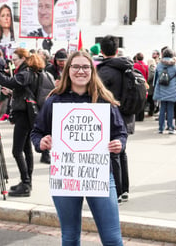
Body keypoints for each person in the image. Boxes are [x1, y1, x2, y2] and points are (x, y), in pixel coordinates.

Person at [31, 50, 127, 246]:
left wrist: (119, 144)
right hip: (66, 175)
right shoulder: (54, 101)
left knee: (112, 239)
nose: (80, 71)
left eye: (85, 67)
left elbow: (120, 133)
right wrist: (41, 143)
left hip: (98, 175)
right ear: (68, 70)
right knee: (70, 237)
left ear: (92, 71)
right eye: (75, 66)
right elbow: (36, 132)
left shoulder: (104, 100)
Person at [0, 48, 45, 196]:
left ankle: (26, 184)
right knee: (26, 150)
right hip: (26, 113)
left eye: (15, 59)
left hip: (24, 115)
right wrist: (11, 92)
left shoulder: (26, 71)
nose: (13, 62)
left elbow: (11, 82)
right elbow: (22, 89)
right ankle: (26, 182)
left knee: (17, 151)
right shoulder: (28, 71)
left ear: (23, 58)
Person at [96, 35, 134, 204]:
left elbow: (98, 95)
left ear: (101, 51)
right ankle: (125, 189)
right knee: (122, 152)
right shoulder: (127, 66)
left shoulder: (103, 71)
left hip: (110, 115)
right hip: (126, 114)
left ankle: (117, 191)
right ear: (117, 50)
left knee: (114, 154)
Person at [153, 48, 176, 134]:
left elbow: (156, 76)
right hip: (172, 89)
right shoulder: (175, 64)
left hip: (161, 89)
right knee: (170, 109)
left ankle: (160, 128)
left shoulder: (159, 64)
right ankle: (170, 128)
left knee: (162, 109)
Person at [134, 52, 148, 121]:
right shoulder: (146, 66)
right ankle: (141, 116)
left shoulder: (134, 65)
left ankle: (136, 116)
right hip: (144, 84)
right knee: (143, 100)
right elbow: (147, 76)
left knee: (136, 100)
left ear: (136, 58)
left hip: (136, 84)